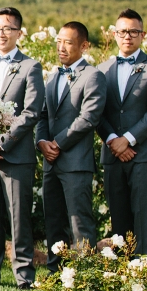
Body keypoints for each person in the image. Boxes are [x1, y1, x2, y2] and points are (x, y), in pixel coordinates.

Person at [0, 7, 44, 289]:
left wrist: (0, 143)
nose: (0, 34)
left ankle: (24, 275)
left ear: (19, 33)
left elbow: (31, 112)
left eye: (6, 28)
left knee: (18, 217)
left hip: (16, 155)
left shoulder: (31, 67)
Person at [96, 9, 147, 256]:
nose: (128, 36)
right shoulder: (102, 69)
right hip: (113, 155)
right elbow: (96, 113)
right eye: (123, 31)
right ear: (115, 34)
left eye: (134, 32)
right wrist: (113, 140)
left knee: (144, 219)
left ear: (142, 35)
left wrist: (127, 140)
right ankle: (119, 278)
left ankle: (145, 277)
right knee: (119, 221)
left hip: (145, 155)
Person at [35, 22, 106, 271]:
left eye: (68, 42)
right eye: (59, 42)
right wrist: (42, 142)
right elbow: (43, 116)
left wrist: (57, 142)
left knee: (80, 222)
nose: (61, 47)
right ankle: (57, 273)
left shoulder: (93, 76)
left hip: (76, 161)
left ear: (84, 46)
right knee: (53, 221)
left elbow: (88, 118)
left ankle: (86, 274)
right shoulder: (53, 77)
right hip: (51, 161)